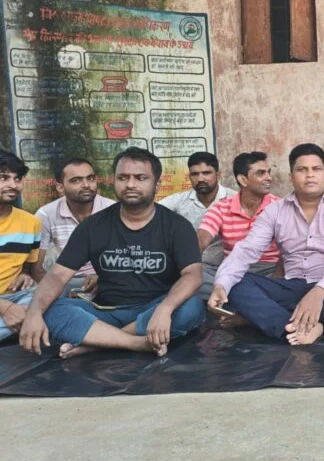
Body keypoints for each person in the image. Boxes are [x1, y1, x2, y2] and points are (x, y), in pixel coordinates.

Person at [19, 147, 204, 358]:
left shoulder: (177, 226)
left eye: (140, 178)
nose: (130, 184)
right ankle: (135, 343)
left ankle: (97, 343)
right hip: (106, 311)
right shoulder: (92, 226)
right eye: (122, 178)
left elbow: (193, 275)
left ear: (157, 185)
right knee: (52, 310)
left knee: (191, 307)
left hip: (155, 310)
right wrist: (34, 313)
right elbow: (57, 276)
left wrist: (165, 309)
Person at [207, 143, 324, 345]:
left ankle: (272, 318)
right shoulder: (275, 211)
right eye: (302, 169)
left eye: (316, 169)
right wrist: (221, 285)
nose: (310, 175)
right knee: (234, 285)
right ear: (291, 177)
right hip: (293, 285)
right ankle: (293, 327)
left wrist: (318, 293)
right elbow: (246, 250)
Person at [197, 152, 280, 299]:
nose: (269, 178)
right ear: (243, 179)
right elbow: (202, 239)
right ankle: (246, 296)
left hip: (268, 271)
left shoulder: (279, 207)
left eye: (269, 172)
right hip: (231, 270)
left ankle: (230, 296)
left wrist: (276, 278)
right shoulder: (222, 208)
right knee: (193, 277)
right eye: (261, 173)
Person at [32, 157, 115, 296]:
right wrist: (59, 293)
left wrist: (104, 280)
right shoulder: (46, 214)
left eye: (90, 178)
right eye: (76, 180)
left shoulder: (113, 210)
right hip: (65, 281)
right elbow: (37, 270)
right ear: (60, 187)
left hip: (108, 279)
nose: (86, 185)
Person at [0, 151, 41, 342]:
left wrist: (25, 274)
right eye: (4, 177)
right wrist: (6, 309)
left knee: (53, 299)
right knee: (35, 316)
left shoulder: (31, 222)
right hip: (7, 305)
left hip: (17, 297)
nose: (13, 185)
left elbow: (28, 267)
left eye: (17, 178)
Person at [159, 151, 236, 228]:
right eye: (195, 174)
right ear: (190, 177)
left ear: (218, 175)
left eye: (206, 173)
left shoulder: (235, 199)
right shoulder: (180, 200)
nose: (200, 179)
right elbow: (154, 210)